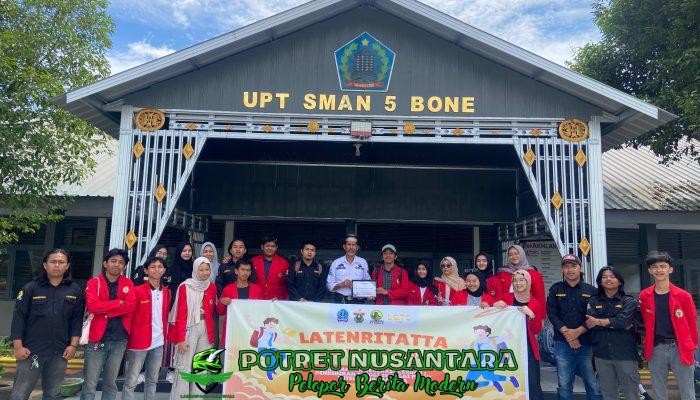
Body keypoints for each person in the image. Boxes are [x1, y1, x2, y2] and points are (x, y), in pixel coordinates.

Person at [10, 249, 83, 400]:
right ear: (45, 265)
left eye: (61, 262)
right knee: (19, 394)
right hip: (31, 351)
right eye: (53, 261)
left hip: (60, 351)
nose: (57, 265)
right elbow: (19, 318)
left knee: (53, 395)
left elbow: (77, 320)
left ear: (67, 266)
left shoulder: (74, 290)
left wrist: (73, 346)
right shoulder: (31, 288)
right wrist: (18, 347)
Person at [639, 251, 698, 400]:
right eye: (654, 267)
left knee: (687, 391)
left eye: (663, 266)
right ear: (650, 270)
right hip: (657, 348)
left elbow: (692, 324)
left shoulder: (683, 296)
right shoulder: (645, 296)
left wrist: (691, 346)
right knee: (658, 391)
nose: (659, 270)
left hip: (680, 347)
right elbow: (645, 321)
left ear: (670, 269)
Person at [81, 248, 137, 400]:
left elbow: (131, 306)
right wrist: (118, 303)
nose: (117, 265)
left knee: (111, 383)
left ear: (124, 266)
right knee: (90, 383)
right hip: (97, 339)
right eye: (113, 261)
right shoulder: (94, 282)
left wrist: (106, 309)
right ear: (105, 263)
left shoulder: (127, 283)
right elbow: (93, 306)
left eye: (121, 262)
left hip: (119, 339)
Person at [546, 253, 602, 400]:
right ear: (562, 269)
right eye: (566, 266)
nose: (570, 270)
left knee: (592, 383)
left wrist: (577, 333)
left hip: (587, 344)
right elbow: (552, 314)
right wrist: (569, 335)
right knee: (564, 384)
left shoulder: (591, 291)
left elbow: (594, 315)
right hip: (562, 344)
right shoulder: (555, 289)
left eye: (573, 266)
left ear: (580, 268)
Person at [584, 266, 640, 400]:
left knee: (631, 394)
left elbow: (622, 322)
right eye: (604, 277)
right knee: (608, 395)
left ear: (619, 281)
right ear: (600, 281)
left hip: (625, 355)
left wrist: (599, 322)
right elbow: (590, 324)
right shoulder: (593, 301)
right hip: (602, 355)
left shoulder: (629, 301)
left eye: (612, 276)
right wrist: (614, 322)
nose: (608, 279)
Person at [122, 256, 171, 400]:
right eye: (153, 267)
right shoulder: (137, 291)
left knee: (152, 380)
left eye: (160, 267)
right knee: (131, 380)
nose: (156, 270)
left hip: (158, 341)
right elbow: (129, 316)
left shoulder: (167, 292)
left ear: (164, 270)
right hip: (138, 341)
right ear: (146, 270)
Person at [168, 257, 217, 399]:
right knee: (184, 367)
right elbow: (181, 314)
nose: (205, 273)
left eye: (207, 269)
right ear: (195, 270)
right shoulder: (186, 286)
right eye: (201, 270)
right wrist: (181, 339)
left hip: (206, 328)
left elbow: (214, 310)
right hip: (189, 327)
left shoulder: (212, 286)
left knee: (202, 368)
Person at [494, 269, 544, 400]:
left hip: (528, 347)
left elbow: (537, 329)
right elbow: (494, 319)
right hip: (509, 346)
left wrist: (531, 315)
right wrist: (494, 306)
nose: (518, 283)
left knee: (532, 382)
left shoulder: (535, 303)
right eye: (515, 281)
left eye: (521, 280)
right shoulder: (506, 298)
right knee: (509, 380)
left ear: (528, 282)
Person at [217, 260, 261, 347]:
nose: (245, 273)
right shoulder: (228, 289)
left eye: (248, 270)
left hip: (250, 331)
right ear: (236, 271)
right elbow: (220, 311)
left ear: (250, 272)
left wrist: (272, 304)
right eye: (242, 269)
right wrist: (221, 302)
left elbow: (261, 310)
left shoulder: (256, 289)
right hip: (233, 331)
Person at [496, 245, 546, 315]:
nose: (514, 257)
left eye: (516, 253)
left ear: (522, 254)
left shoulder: (534, 274)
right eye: (510, 254)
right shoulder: (502, 273)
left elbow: (540, 297)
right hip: (506, 313)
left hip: (527, 312)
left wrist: (541, 317)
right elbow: (497, 293)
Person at [326, 235, 371, 304]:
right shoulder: (336, 262)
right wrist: (341, 284)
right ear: (344, 246)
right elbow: (329, 285)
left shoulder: (363, 262)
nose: (351, 247)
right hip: (340, 300)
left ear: (357, 247)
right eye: (349, 244)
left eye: (353, 245)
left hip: (358, 300)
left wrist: (355, 286)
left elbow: (367, 282)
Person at [251, 235, 290, 300]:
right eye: (267, 246)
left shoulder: (285, 263)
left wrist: (283, 300)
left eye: (273, 246)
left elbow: (288, 285)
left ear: (276, 247)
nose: (270, 248)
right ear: (262, 247)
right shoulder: (253, 261)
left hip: (276, 301)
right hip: (257, 300)